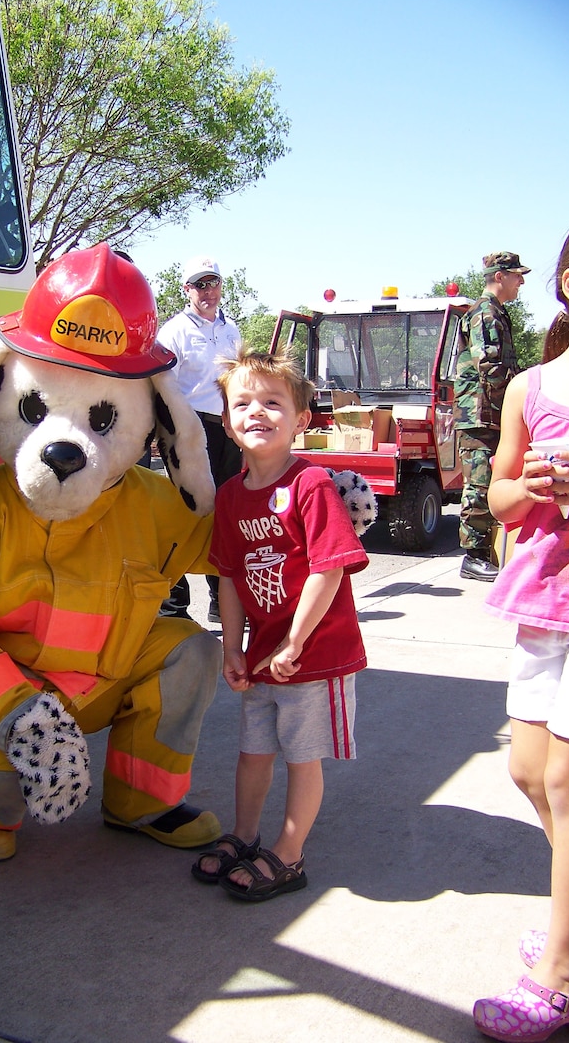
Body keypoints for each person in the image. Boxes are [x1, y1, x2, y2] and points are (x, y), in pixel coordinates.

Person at [190, 348, 368, 902]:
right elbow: (230, 577)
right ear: (227, 422)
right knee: (253, 751)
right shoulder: (229, 497)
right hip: (264, 655)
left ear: (301, 420)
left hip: (315, 656)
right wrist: (231, 647)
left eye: (273, 402)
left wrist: (296, 641)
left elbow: (329, 568)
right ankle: (245, 836)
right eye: (243, 403)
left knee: (301, 755)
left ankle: (289, 854)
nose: (257, 413)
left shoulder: (310, 484)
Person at [472, 227, 569, 1041]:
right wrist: (530, 483)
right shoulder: (530, 386)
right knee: (527, 773)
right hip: (544, 598)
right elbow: (499, 499)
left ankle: (563, 972)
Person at [157, 255, 242, 622]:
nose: (208, 291)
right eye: (199, 285)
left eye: (213, 283)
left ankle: (220, 601)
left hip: (226, 429)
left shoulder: (231, 330)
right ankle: (174, 607)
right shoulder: (173, 331)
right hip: (188, 430)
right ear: (187, 290)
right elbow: (162, 385)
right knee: (183, 513)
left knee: (224, 513)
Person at [455, 250, 529, 582]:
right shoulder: (485, 313)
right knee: (480, 482)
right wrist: (520, 406)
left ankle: (485, 551)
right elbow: (493, 370)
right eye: (517, 275)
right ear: (500, 276)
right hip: (482, 413)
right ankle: (474, 556)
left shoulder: (494, 312)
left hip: (488, 412)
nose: (521, 281)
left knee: (487, 479)